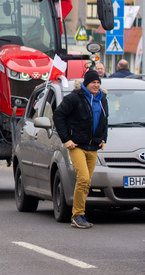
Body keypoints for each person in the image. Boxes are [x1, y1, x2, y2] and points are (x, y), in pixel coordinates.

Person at [52, 69, 108, 229]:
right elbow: (58, 115)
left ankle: (80, 214)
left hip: (93, 145)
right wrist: (66, 140)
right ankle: (77, 215)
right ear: (86, 83)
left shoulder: (103, 99)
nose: (96, 85)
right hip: (77, 145)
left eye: (98, 82)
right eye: (93, 82)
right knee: (83, 179)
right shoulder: (74, 98)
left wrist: (103, 138)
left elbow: (105, 118)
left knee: (87, 182)